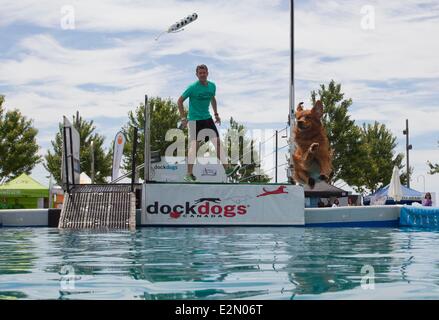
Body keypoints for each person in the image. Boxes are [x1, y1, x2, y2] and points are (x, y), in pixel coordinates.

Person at [178, 64, 238, 182]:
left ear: (207, 73)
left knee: (218, 143)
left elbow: (212, 98)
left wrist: (216, 114)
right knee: (195, 146)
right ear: (197, 75)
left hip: (207, 118)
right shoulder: (192, 88)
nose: (202, 75)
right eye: (200, 73)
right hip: (194, 120)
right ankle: (189, 174)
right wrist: (183, 118)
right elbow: (179, 101)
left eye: (204, 73)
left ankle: (227, 169)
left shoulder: (212, 86)